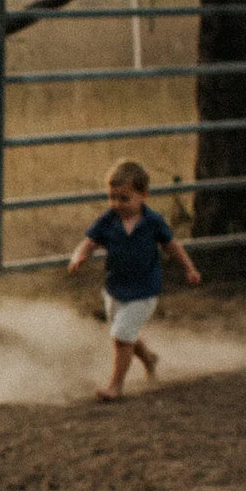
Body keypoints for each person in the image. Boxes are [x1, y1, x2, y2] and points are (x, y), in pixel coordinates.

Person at [64, 159, 201, 400]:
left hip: (145, 291)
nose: (117, 204)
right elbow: (89, 242)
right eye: (112, 197)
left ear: (144, 195)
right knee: (124, 333)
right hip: (114, 289)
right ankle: (150, 359)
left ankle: (115, 386)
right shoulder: (108, 220)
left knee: (121, 335)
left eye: (124, 198)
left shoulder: (153, 222)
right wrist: (78, 257)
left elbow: (173, 247)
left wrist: (189, 268)